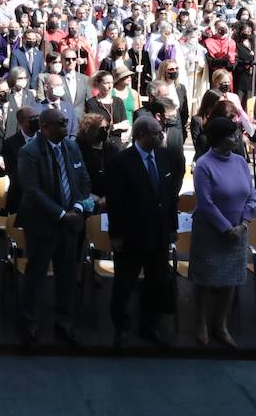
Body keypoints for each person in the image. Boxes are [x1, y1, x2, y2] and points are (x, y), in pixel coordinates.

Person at [15, 106, 90, 347]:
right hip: (41, 223)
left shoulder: (71, 146)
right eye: (60, 123)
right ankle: (29, 323)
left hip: (70, 223)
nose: (65, 126)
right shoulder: (30, 151)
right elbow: (32, 190)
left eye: (66, 122)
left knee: (67, 275)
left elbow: (83, 180)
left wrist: (77, 208)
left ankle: (64, 321)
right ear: (45, 127)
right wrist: (60, 214)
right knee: (36, 275)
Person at [105, 115, 177, 348]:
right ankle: (120, 328)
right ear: (141, 135)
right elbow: (115, 202)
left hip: (159, 234)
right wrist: (115, 235)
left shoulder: (167, 158)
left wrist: (172, 227)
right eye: (156, 132)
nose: (161, 135)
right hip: (131, 235)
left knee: (156, 283)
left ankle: (149, 326)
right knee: (124, 284)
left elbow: (169, 197)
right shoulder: (121, 161)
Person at [189, 117, 256, 348]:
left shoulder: (239, 161)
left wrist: (244, 224)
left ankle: (220, 324)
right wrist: (226, 229)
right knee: (204, 279)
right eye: (233, 135)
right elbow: (206, 202)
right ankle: (200, 323)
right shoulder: (204, 165)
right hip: (211, 231)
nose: (238, 138)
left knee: (230, 280)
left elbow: (251, 196)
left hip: (239, 230)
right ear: (219, 138)